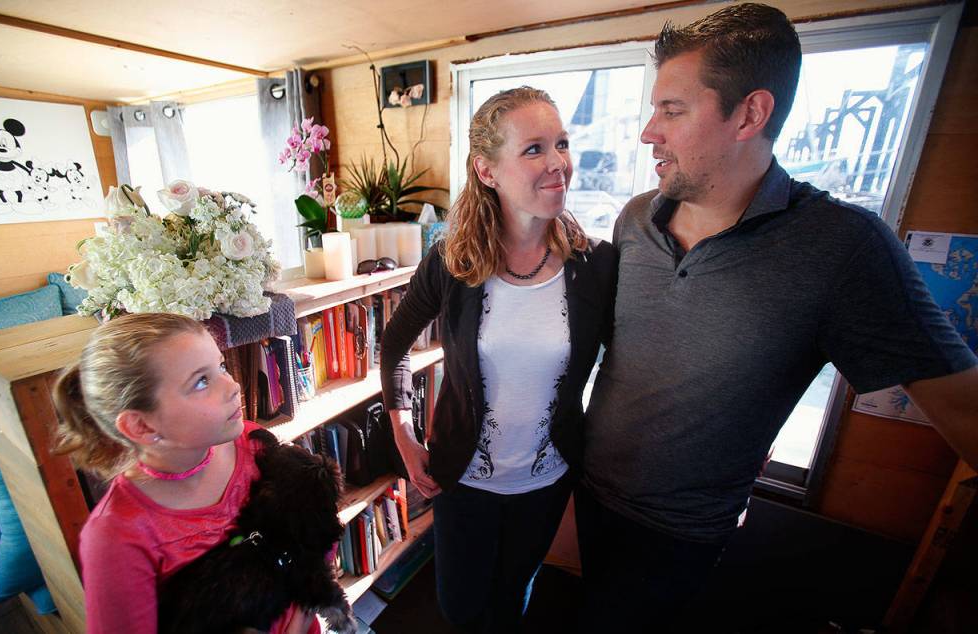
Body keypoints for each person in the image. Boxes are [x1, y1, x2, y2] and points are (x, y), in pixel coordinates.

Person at [579, 3, 978, 631]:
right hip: (592, 495)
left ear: (751, 114)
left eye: (672, 111)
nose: (647, 132)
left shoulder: (843, 248)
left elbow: (967, 411)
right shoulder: (635, 218)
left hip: (683, 532)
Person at [380, 86, 616, 633]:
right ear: (487, 172)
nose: (558, 163)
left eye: (561, 143)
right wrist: (403, 433)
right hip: (463, 476)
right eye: (534, 149)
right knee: (461, 606)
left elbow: (629, 365)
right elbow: (395, 345)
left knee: (512, 598)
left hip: (548, 477)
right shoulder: (451, 260)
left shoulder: (597, 264)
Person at [52, 313, 316, 634]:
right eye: (201, 381)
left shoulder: (252, 444)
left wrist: (300, 621)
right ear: (142, 425)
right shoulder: (117, 537)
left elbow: (311, 533)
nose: (232, 385)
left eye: (220, 366)